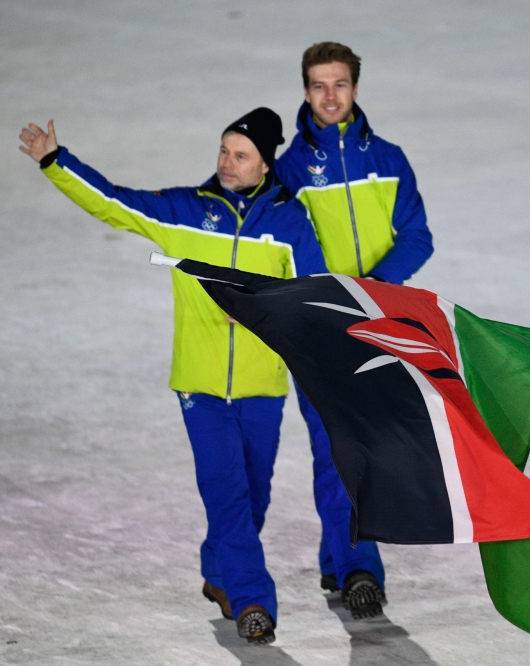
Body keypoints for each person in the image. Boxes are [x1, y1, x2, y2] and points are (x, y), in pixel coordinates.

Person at [18, 109, 328, 645]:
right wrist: (55, 161)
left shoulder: (291, 223)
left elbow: (313, 295)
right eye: (224, 150)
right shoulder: (185, 210)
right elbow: (115, 203)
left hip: (263, 387)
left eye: (241, 155)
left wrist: (262, 309)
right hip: (200, 386)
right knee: (226, 491)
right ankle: (253, 601)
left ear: (265, 164)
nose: (227, 163)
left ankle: (217, 573)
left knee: (253, 496)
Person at [273, 41, 433, 618]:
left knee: (366, 449)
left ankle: (336, 555)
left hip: (380, 326)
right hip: (319, 333)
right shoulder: (288, 170)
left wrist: (372, 290)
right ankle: (361, 566)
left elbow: (418, 237)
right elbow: (281, 245)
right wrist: (331, 298)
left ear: (356, 89)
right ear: (305, 90)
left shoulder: (388, 158)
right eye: (318, 85)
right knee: (335, 450)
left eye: (339, 84)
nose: (330, 96)